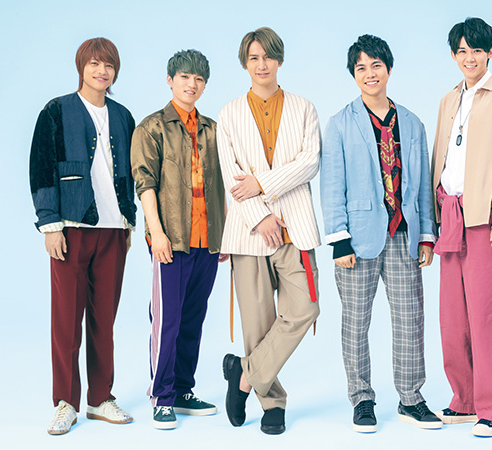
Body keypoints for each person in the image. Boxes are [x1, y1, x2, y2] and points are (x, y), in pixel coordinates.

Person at [320, 34, 440, 433]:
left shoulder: (412, 123)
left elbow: (423, 184)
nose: (370, 74)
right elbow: (332, 185)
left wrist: (427, 235)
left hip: (404, 234)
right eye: (361, 68)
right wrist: (339, 240)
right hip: (357, 239)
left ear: (388, 69)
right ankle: (362, 399)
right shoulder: (340, 123)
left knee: (410, 320)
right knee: (356, 322)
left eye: (376, 66)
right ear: (353, 75)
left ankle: (411, 399)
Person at [29, 37, 135, 435]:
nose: (102, 71)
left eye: (108, 65)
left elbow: (129, 174)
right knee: (66, 321)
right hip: (72, 229)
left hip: (113, 231)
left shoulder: (123, 116)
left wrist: (128, 222)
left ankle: (100, 398)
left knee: (104, 321)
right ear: (81, 67)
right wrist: (50, 224)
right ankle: (65, 403)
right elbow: (41, 168)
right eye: (94, 63)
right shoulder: (56, 111)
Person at [218, 27, 321, 435]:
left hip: (296, 229)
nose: (261, 65)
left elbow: (309, 162)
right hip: (249, 233)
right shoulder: (229, 114)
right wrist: (259, 216)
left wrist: (261, 183)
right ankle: (272, 404)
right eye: (254, 58)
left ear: (279, 60)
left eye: (268, 57)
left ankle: (244, 375)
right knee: (257, 325)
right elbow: (230, 175)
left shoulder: (304, 108)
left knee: (305, 308)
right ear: (245, 63)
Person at [431, 17, 492, 437]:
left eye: (476, 50)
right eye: (462, 51)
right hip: (449, 213)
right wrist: (433, 218)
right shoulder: (448, 99)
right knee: (453, 317)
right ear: (454, 55)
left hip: (486, 218)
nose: (469, 58)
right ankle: (464, 399)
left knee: (489, 316)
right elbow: (440, 157)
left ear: (490, 52)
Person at [131, 49, 227, 430]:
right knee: (166, 319)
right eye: (185, 77)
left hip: (208, 241)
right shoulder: (151, 127)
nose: (192, 84)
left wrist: (224, 235)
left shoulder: (213, 130)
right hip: (171, 240)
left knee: (193, 317)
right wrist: (156, 233)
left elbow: (221, 184)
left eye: (199, 79)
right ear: (170, 80)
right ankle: (162, 396)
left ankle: (184, 389)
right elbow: (145, 184)